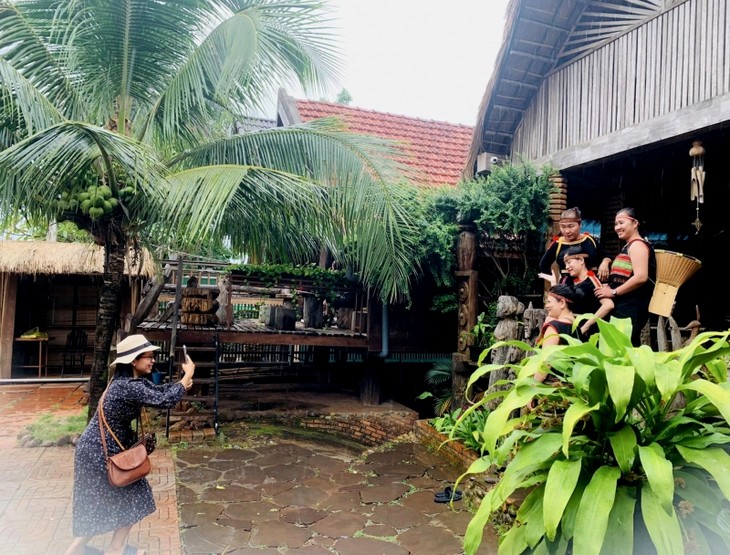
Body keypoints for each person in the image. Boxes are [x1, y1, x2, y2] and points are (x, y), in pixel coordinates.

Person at [64, 334, 195, 555]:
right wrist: (186, 377)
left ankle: (106, 548)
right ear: (133, 360)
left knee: (115, 499)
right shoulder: (127, 386)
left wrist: (181, 385)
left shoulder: (129, 383)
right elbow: (165, 400)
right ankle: (103, 549)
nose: (152, 361)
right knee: (122, 498)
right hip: (98, 453)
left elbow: (159, 392)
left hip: (97, 450)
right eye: (148, 357)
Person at [595, 207, 656, 346]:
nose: (617, 227)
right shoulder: (628, 246)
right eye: (616, 224)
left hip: (632, 307)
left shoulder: (638, 246)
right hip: (624, 306)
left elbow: (641, 277)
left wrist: (613, 292)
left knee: (623, 348)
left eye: (621, 223)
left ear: (635, 223)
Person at [539, 207, 612, 282]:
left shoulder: (589, 240)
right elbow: (543, 265)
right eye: (563, 227)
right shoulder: (558, 244)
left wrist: (605, 263)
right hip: (568, 287)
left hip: (591, 285)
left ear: (580, 224)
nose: (567, 231)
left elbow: (606, 256)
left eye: (571, 226)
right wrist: (554, 281)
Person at [560, 245, 614, 337]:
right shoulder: (569, 281)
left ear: (581, 260)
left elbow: (608, 305)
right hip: (572, 327)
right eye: (565, 264)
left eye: (569, 262)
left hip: (587, 331)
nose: (567, 266)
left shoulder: (592, 280)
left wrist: (586, 325)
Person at [535, 284, 582, 383]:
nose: (546, 306)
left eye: (549, 302)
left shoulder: (554, 327)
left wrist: (531, 389)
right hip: (573, 386)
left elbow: (545, 363)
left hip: (553, 387)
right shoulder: (577, 328)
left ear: (562, 303)